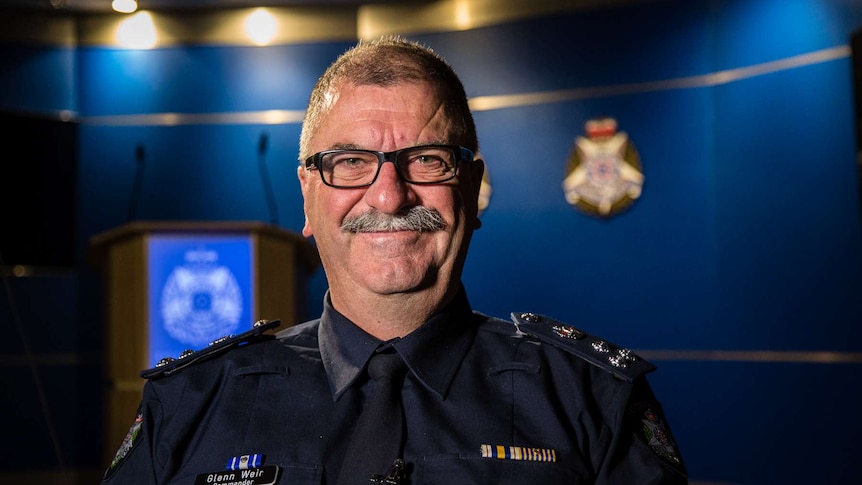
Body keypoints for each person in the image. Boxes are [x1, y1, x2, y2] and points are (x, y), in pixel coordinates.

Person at [102, 35, 688, 485]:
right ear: (307, 196)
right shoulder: (188, 406)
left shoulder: (593, 401)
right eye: (351, 162)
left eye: (427, 159)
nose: (388, 196)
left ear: (471, 187)